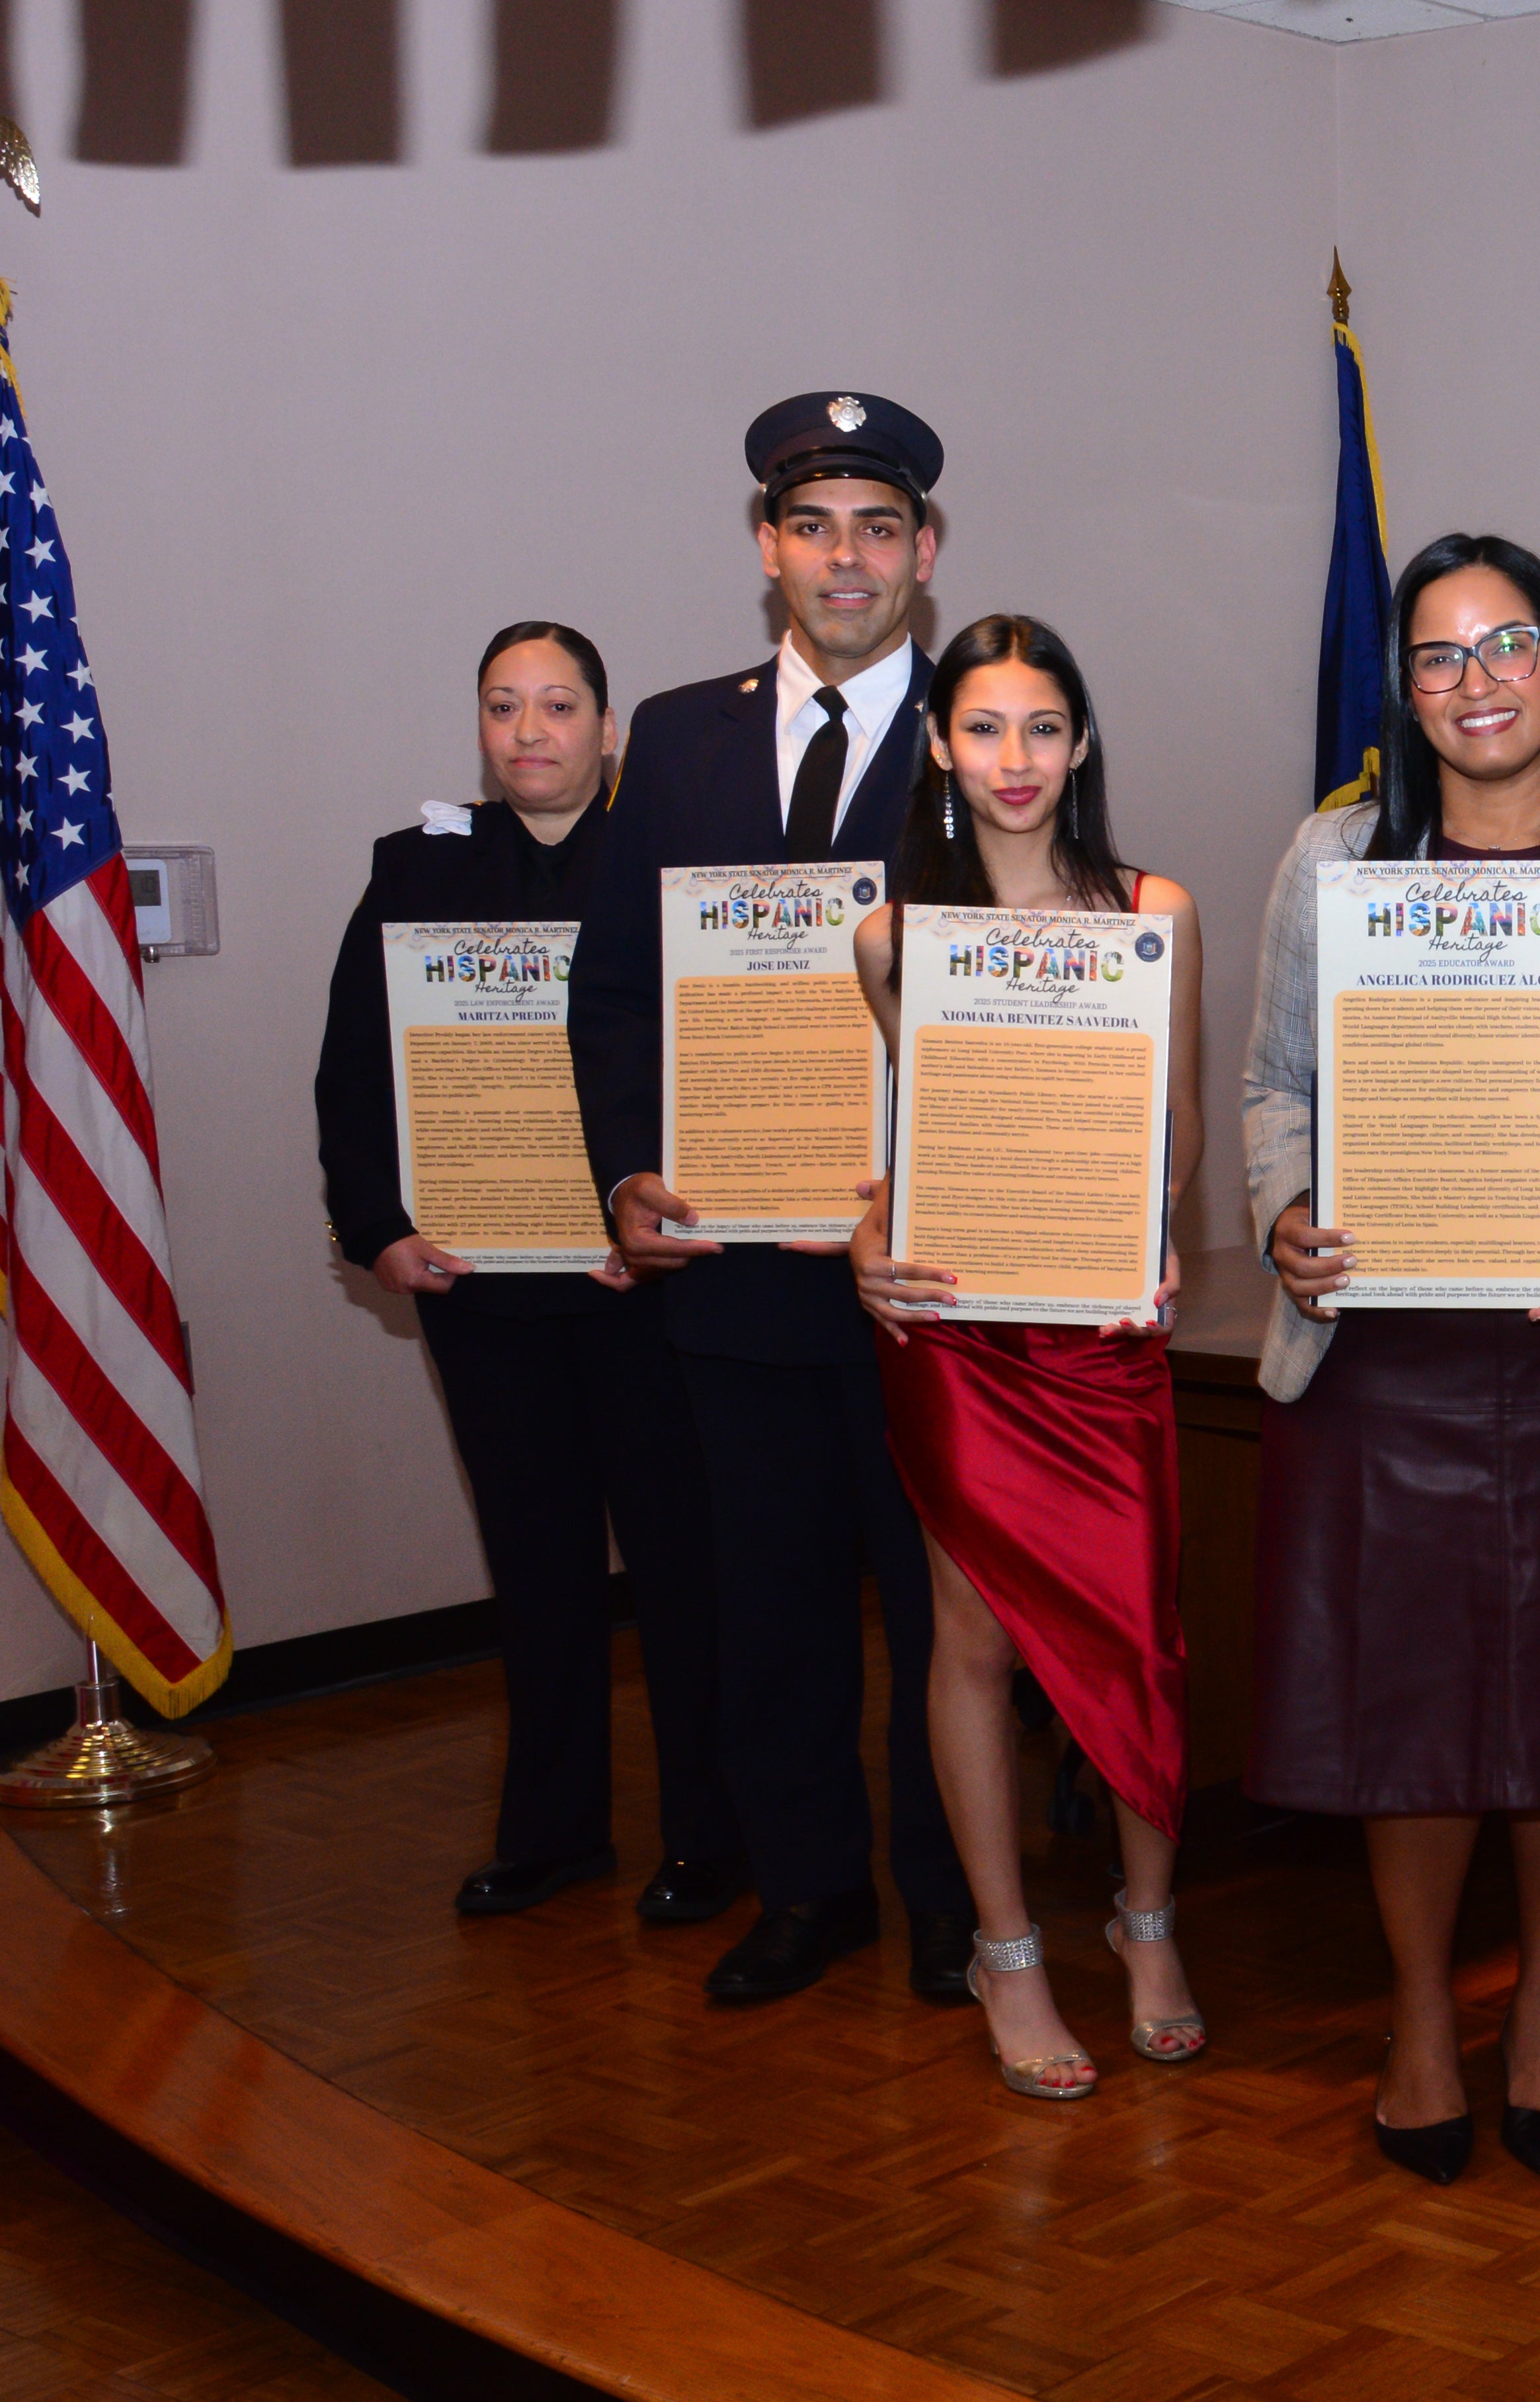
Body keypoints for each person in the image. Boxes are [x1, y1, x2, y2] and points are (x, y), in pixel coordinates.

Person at [1242, 532, 1540, 2184]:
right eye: (1441, 656)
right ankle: (1418, 2017)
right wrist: (1288, 1207)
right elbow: (1269, 1085)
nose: (1477, 680)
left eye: (1508, 643)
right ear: (1409, 690)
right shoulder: (1337, 857)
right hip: (1386, 1351)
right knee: (1413, 1709)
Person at [567, 392, 975, 2006]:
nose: (846, 558)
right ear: (766, 547)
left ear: (925, 551)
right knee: (773, 1600)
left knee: (945, 1617)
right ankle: (810, 1887)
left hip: (918, 1265)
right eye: (813, 527)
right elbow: (611, 995)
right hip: (734, 1267)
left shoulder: (995, 722)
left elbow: (1046, 995)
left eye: (879, 528)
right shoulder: (675, 735)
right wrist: (624, 1169)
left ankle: (955, 1896)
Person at [314, 624, 737, 1924]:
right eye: (505, 707)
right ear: (482, 732)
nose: (531, 730)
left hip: (639, 1290)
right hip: (484, 1293)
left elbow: (727, 1065)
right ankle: (553, 1830)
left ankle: (708, 1840)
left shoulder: (668, 874)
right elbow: (354, 1069)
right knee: (540, 1566)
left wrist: (663, 1216)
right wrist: (375, 1223)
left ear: (608, 733)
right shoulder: (415, 873)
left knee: (679, 1571)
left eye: (560, 705)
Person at [846, 616, 1204, 2100]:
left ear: (1081, 744)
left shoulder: (1151, 908)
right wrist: (868, 1240)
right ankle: (1008, 1950)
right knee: (972, 1641)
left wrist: (1161, 1236)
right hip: (958, 1328)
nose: (1014, 761)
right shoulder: (889, 935)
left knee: (1133, 1625)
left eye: (1043, 728)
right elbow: (893, 1143)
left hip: (1100, 1323)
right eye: (984, 729)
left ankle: (1147, 1923)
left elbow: (1170, 1138)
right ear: (939, 743)